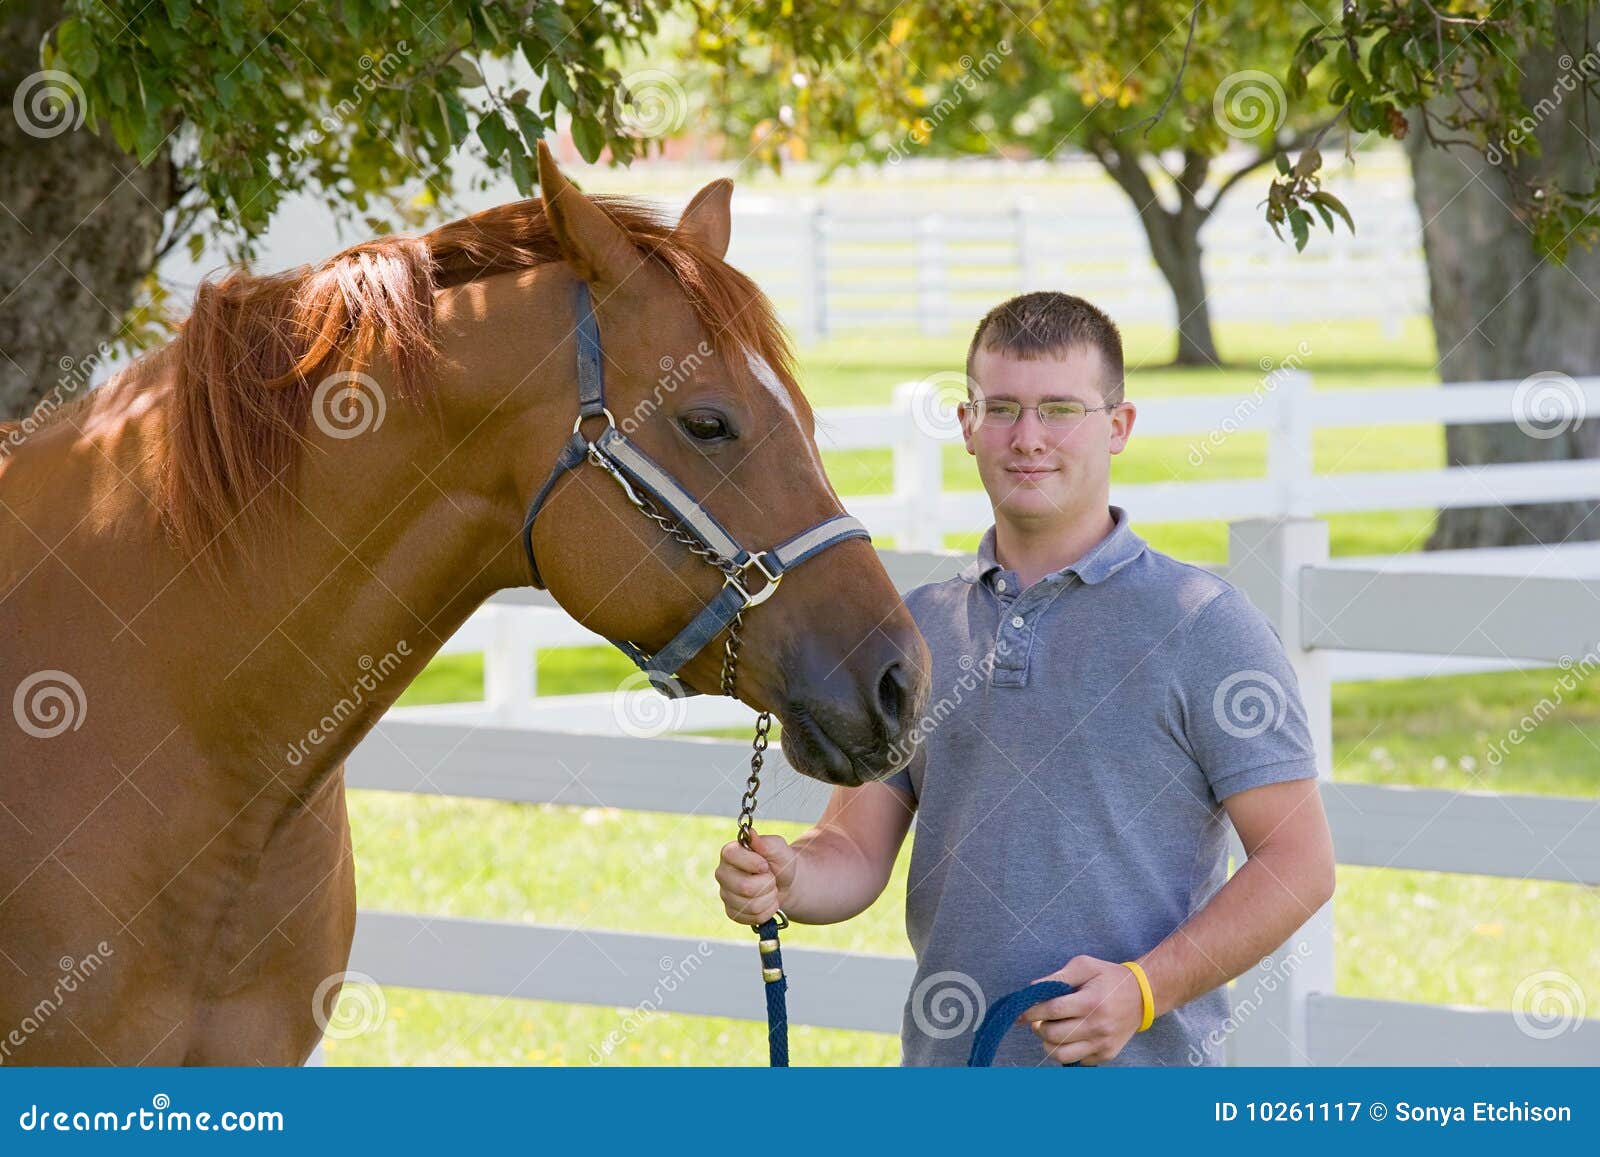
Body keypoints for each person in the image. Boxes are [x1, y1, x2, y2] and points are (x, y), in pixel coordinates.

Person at [716, 291, 1336, 1066]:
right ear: (967, 425)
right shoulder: (916, 631)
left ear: (1119, 426)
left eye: (1060, 409)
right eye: (1002, 407)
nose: (1028, 438)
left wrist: (1143, 989)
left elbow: (1299, 864)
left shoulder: (1203, 625)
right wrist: (791, 875)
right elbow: (854, 850)